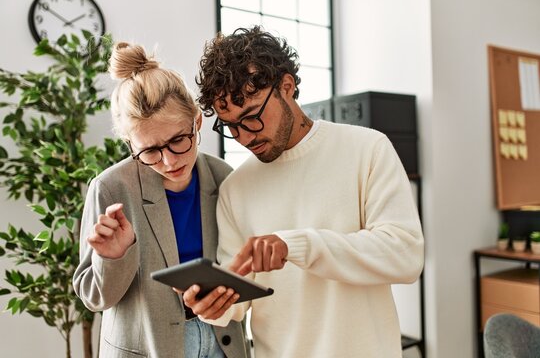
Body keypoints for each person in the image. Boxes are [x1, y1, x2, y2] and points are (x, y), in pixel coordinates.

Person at [183, 26, 425, 358]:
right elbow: (238, 298)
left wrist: (298, 245)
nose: (245, 137)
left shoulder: (367, 148)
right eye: (232, 126)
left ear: (287, 87)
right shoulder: (236, 188)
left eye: (251, 117)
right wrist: (215, 306)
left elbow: (405, 256)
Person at [73, 42, 250, 358]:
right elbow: (95, 298)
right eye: (150, 151)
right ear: (131, 145)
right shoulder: (111, 188)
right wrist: (114, 258)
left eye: (178, 141)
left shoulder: (224, 177)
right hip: (146, 349)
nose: (169, 161)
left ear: (196, 122)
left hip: (222, 342)